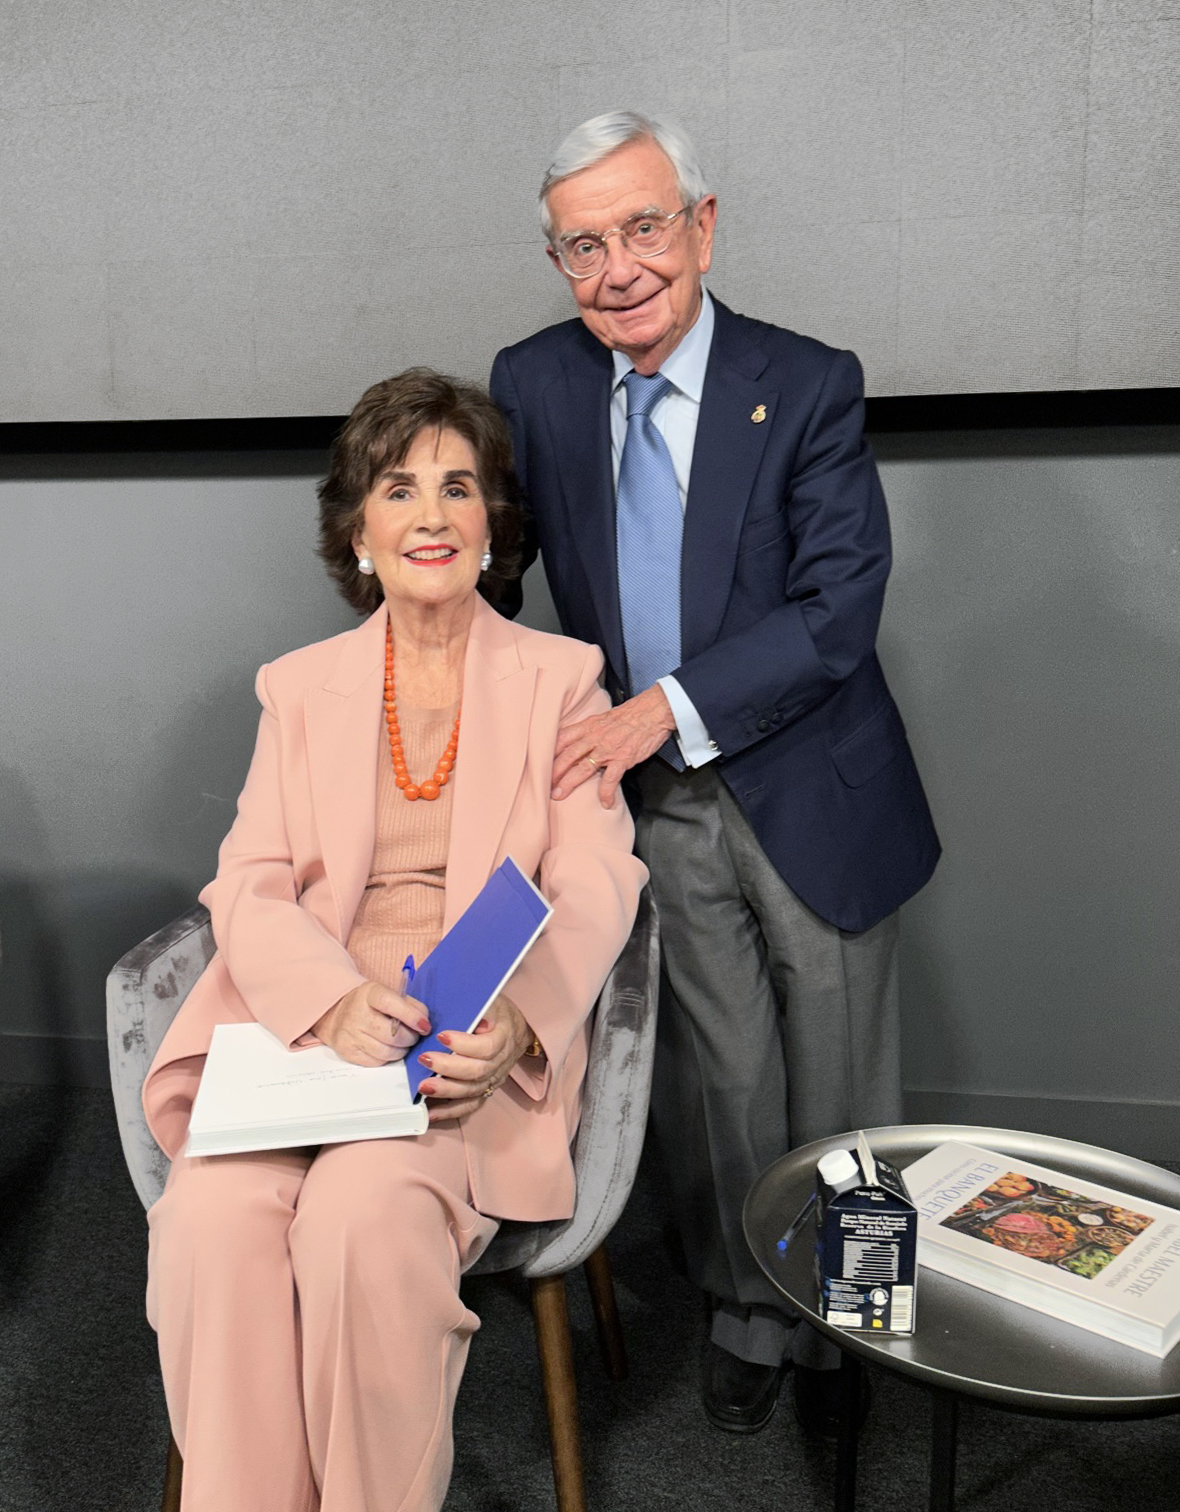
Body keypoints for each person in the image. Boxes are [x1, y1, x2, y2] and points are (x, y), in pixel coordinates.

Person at [490, 112, 940, 1436]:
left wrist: (662, 710)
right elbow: (499, 565)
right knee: (728, 1077)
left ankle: (861, 1332)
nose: (618, 267)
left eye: (643, 227)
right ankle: (756, 1310)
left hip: (814, 787)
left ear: (703, 222)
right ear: (561, 262)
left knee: (845, 1079)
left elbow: (839, 605)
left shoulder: (803, 381)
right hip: (658, 807)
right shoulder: (536, 380)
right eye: (584, 244)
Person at [141, 369, 647, 1512]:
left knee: (362, 1223)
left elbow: (594, 877)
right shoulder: (301, 688)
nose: (430, 515)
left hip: (455, 1045)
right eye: (399, 487)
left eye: (457, 488)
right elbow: (251, 877)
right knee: (213, 1229)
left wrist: (521, 1017)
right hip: (304, 1032)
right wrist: (325, 1000)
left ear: (491, 524)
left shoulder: (561, 681)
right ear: (357, 529)